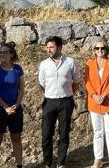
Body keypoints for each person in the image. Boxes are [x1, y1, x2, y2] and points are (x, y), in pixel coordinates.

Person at [38, 36, 81, 168]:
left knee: (64, 133)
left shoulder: (70, 62)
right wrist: (50, 92)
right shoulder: (44, 64)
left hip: (65, 102)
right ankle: (47, 163)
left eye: (52, 47)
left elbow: (77, 81)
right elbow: (42, 84)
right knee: (46, 135)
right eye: (48, 47)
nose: (49, 50)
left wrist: (69, 93)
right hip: (49, 101)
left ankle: (60, 163)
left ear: (60, 47)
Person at [84, 41, 109, 168]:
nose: (100, 50)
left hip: (108, 101)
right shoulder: (89, 63)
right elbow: (87, 81)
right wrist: (94, 96)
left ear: (106, 49)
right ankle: (98, 159)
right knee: (97, 132)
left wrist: (104, 96)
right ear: (94, 50)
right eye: (97, 48)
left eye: (102, 48)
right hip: (94, 102)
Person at [0, 42, 25, 168]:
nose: (2, 54)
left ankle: (19, 165)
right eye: (0, 52)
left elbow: (22, 89)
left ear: (11, 54)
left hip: (16, 110)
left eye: (5, 52)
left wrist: (16, 105)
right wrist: (6, 107)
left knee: (16, 137)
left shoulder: (18, 69)